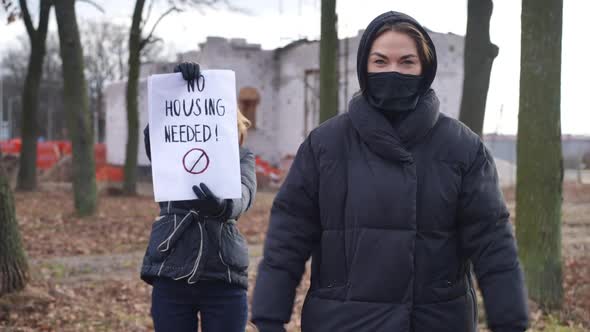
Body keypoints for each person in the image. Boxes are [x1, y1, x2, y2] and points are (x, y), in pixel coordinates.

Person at [251, 11, 528, 332]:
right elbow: (289, 235)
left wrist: (510, 319)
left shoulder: (462, 147)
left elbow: (492, 240)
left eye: (407, 62)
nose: (393, 71)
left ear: (425, 69)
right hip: (342, 321)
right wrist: (269, 315)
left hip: (434, 320)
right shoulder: (325, 145)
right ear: (364, 68)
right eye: (380, 61)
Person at [140, 62, 256, 332]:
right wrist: (177, 91)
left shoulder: (243, 157)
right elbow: (156, 139)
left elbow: (244, 194)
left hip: (224, 275)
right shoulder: (171, 149)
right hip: (171, 270)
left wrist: (223, 205)